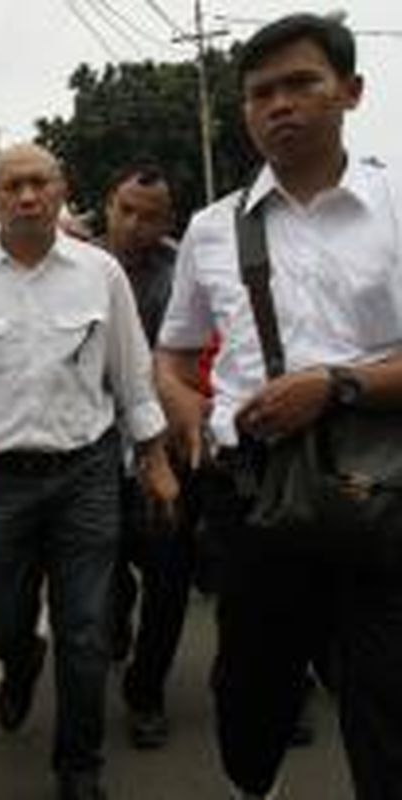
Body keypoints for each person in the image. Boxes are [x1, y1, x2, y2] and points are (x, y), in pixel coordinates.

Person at [156, 14, 402, 800]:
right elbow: (173, 350)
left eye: (302, 83)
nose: (280, 105)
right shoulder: (211, 229)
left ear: (351, 92)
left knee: (388, 703)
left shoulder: (397, 205)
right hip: (255, 496)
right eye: (262, 92)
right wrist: (183, 407)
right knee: (251, 695)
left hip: (385, 492)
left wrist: (336, 384)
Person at [0, 143, 177, 800]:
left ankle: (79, 767)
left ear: (62, 189)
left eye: (40, 182)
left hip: (86, 473)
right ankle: (18, 663)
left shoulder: (100, 273)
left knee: (86, 625)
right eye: (12, 186)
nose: (27, 196)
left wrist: (154, 459)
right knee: (3, 619)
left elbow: (132, 375)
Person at [100, 164, 196, 750]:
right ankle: (114, 611)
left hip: (163, 453)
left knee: (169, 578)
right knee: (103, 582)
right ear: (108, 205)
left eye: (151, 215)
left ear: (169, 222)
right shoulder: (72, 262)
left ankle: (145, 693)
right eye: (126, 210)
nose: (135, 225)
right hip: (86, 458)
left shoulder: (185, 274)